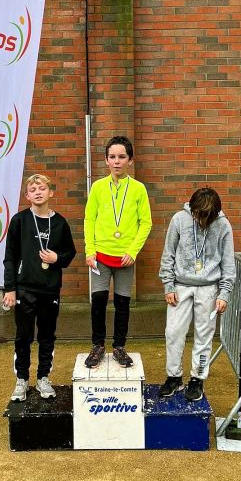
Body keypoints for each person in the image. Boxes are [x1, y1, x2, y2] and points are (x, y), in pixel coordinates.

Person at [3, 174, 76, 402]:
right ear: (27, 195)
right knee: (23, 336)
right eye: (32, 190)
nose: (37, 192)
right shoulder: (19, 220)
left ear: (50, 192)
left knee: (47, 336)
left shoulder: (60, 223)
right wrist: (10, 289)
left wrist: (57, 258)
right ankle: (22, 379)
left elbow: (70, 253)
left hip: (50, 289)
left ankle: (43, 377)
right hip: (24, 288)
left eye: (42, 188)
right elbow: (10, 257)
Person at [158, 187, 235, 401]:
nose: (201, 221)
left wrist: (224, 293)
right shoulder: (179, 219)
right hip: (180, 286)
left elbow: (228, 262)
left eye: (206, 217)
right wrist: (168, 285)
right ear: (192, 209)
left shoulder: (223, 225)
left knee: (204, 335)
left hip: (209, 288)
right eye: (198, 215)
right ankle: (174, 377)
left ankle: (197, 379)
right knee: (173, 332)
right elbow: (168, 254)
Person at [84, 136, 152, 369]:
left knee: (122, 303)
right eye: (112, 157)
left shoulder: (139, 189)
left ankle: (119, 347)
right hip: (100, 256)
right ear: (106, 160)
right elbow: (89, 219)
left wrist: (133, 251)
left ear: (130, 160)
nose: (116, 161)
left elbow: (146, 223)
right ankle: (97, 346)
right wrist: (90, 250)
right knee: (98, 301)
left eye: (122, 157)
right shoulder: (97, 187)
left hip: (125, 258)